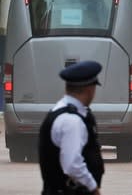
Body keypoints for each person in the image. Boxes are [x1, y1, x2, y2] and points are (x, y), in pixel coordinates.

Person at [39, 60, 104, 195]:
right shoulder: (72, 120)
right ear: (89, 89)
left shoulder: (59, 110)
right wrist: (93, 187)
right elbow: (72, 165)